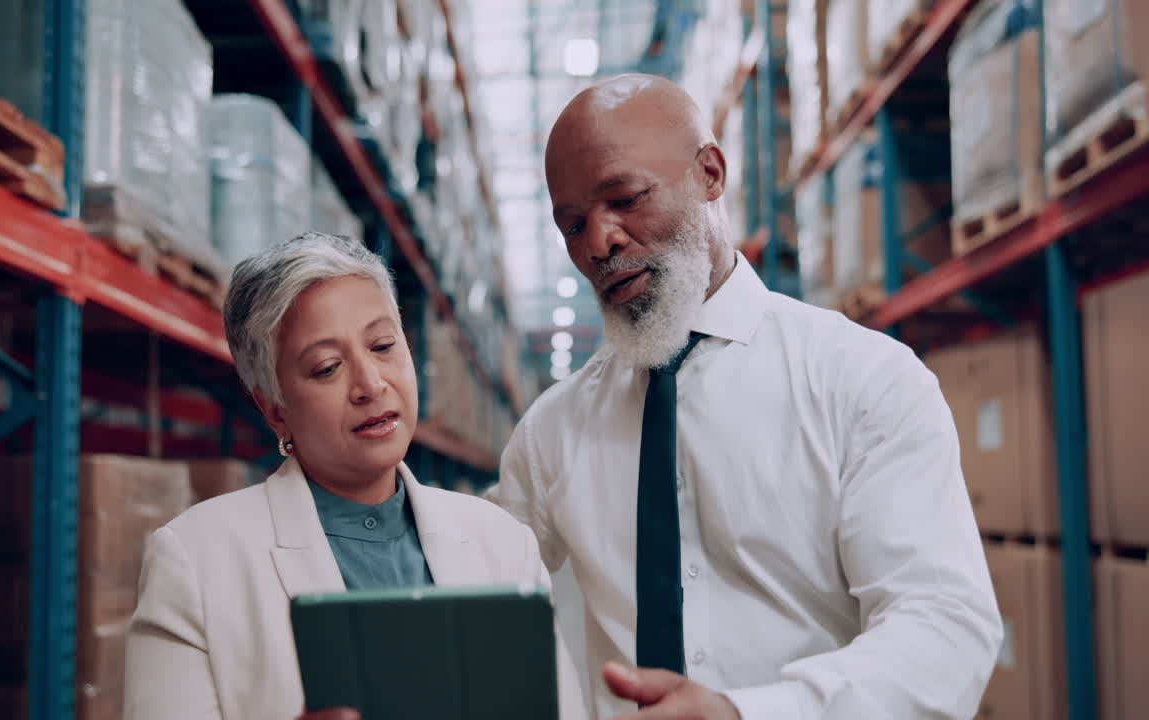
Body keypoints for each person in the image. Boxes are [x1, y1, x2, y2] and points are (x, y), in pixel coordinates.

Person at [486, 75, 1004, 719]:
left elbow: (945, 629)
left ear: (709, 173)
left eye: (624, 197)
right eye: (572, 224)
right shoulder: (553, 431)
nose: (599, 243)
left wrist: (743, 713)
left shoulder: (861, 382)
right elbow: (469, 584)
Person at [124, 232, 586, 720]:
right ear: (274, 409)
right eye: (326, 368)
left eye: (383, 345)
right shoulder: (196, 560)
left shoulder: (503, 544)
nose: (370, 384)